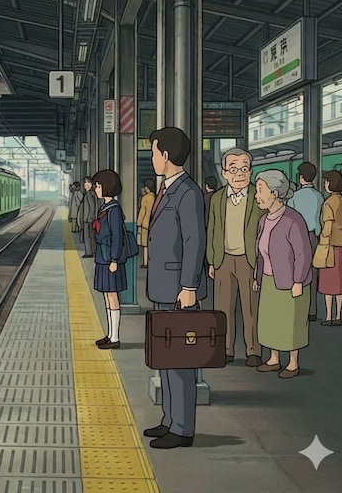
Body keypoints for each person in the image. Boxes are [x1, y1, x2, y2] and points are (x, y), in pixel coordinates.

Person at [143, 127, 205, 449]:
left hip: (179, 289)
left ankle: (182, 429)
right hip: (165, 286)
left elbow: (195, 241)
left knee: (180, 361)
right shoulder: (169, 189)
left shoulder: (187, 192)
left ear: (165, 155)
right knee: (167, 356)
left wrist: (188, 285)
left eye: (153, 152)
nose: (152, 158)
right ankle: (169, 419)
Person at [206, 148, 262, 367]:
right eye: (233, 169)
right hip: (223, 260)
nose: (240, 174)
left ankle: (253, 350)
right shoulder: (217, 198)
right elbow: (212, 230)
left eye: (244, 169)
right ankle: (226, 349)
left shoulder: (258, 197)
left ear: (251, 171)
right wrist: (212, 260)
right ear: (224, 173)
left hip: (250, 260)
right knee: (223, 309)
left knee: (251, 309)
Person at [253, 169, 312, 379]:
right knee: (270, 320)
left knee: (291, 321)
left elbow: (303, 253)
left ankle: (293, 362)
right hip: (270, 280)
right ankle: (274, 358)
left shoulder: (293, 220)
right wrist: (257, 277)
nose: (257, 196)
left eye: (260, 191)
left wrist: (298, 281)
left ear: (275, 193)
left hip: (291, 282)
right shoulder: (263, 220)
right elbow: (260, 252)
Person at [91, 169, 127, 350]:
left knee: (112, 296)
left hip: (110, 258)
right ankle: (110, 334)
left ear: (107, 187)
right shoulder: (105, 207)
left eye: (98, 186)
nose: (96, 189)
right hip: (102, 256)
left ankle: (115, 338)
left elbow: (117, 236)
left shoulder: (114, 210)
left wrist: (114, 259)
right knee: (107, 295)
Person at [287, 162, 324, 322]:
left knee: (297, 271)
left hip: (297, 237)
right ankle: (312, 310)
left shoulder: (295, 197)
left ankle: (298, 308)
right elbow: (320, 219)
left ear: (301, 177)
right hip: (314, 236)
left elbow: (289, 217)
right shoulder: (319, 196)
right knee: (313, 273)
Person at [317, 170, 342, 325]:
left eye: (326, 181)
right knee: (340, 281)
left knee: (328, 282)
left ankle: (328, 316)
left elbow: (327, 227)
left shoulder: (328, 203)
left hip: (330, 245)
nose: (325, 184)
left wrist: (322, 236)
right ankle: (338, 315)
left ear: (330, 184)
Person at [137, 179, 155, 268]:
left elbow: (142, 211)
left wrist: (139, 222)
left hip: (145, 223)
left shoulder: (145, 198)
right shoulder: (155, 197)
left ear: (147, 188)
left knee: (145, 245)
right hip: (153, 223)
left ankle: (145, 263)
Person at [79, 177, 98, 258]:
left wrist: (89, 218)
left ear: (92, 184)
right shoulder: (93, 193)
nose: (86, 185)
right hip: (90, 218)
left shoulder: (89, 194)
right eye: (85, 183)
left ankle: (89, 252)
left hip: (88, 219)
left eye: (88, 183)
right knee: (92, 236)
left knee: (88, 237)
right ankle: (93, 251)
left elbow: (92, 206)